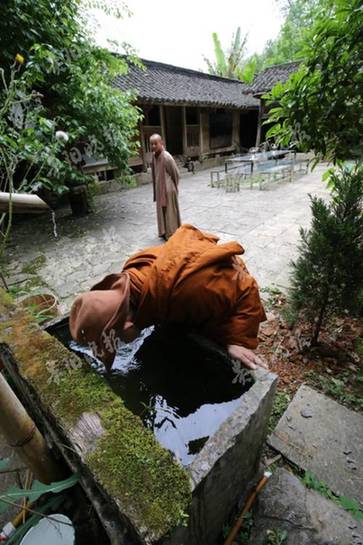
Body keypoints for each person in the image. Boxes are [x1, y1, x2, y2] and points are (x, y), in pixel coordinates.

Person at [70, 224, 268, 372]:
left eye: (119, 340)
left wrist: (236, 339)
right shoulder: (133, 275)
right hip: (199, 288)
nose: (122, 344)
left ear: (128, 326)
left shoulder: (187, 293)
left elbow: (247, 289)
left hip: (228, 283)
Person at [149, 133, 181, 240]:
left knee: (170, 213)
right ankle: (163, 231)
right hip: (160, 189)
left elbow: (176, 173)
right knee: (162, 212)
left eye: (155, 144)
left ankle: (171, 233)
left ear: (161, 143)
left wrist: (173, 187)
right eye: (151, 144)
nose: (153, 146)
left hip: (168, 190)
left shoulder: (167, 157)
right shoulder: (154, 156)